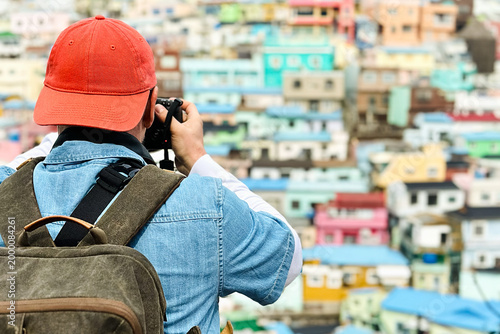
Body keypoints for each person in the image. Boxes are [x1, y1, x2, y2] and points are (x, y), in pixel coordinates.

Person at [0, 16, 302, 334]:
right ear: (149, 109)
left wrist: (60, 137)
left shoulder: (5, 191)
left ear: (52, 107)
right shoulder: (205, 206)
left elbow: (21, 169)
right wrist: (197, 158)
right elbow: (288, 260)